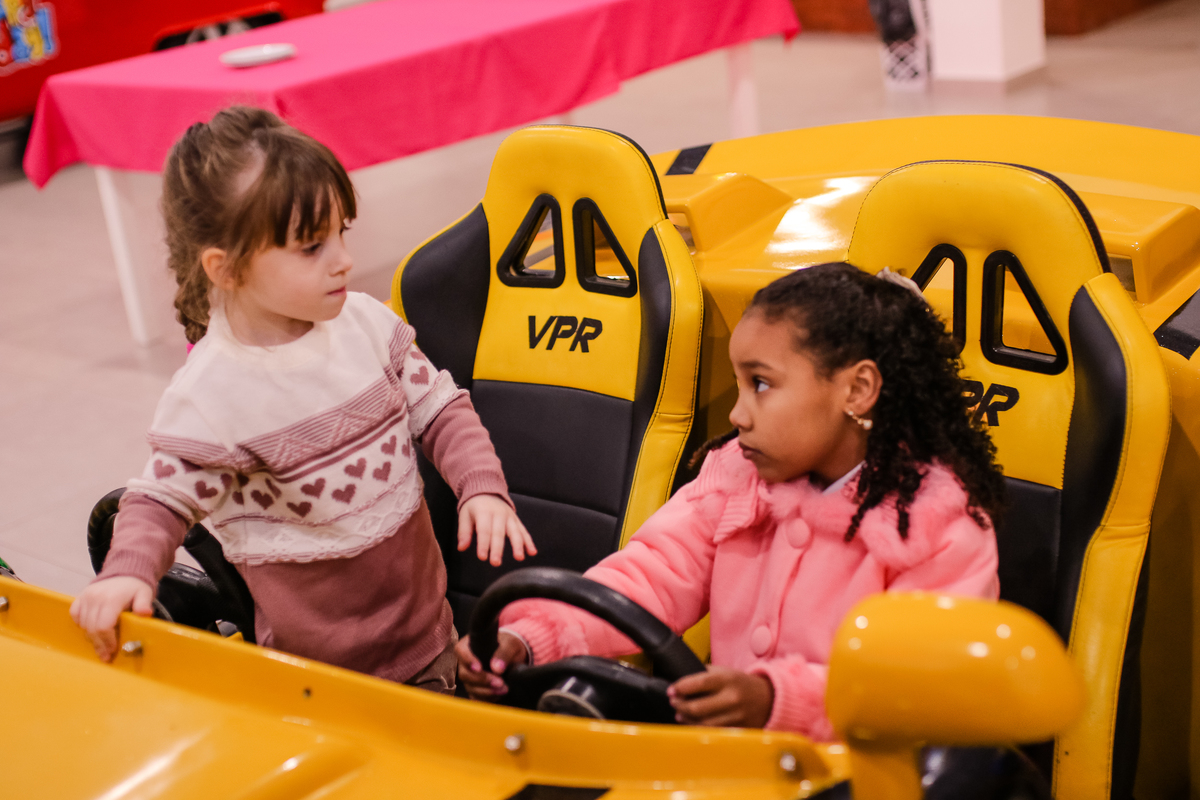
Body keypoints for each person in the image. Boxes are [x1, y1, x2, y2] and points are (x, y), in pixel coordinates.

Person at [70, 106, 534, 693]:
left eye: (342, 232)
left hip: (430, 643)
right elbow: (160, 499)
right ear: (226, 268)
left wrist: (481, 485)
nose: (343, 259)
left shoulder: (365, 325)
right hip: (317, 682)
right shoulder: (214, 394)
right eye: (312, 246)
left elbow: (441, 409)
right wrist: (127, 572)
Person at [456, 262, 1004, 736]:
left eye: (760, 385)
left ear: (857, 390)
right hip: (728, 768)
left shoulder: (936, 526)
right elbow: (649, 577)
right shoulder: (737, 476)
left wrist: (776, 700)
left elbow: (924, 684)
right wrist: (530, 638)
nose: (738, 415)